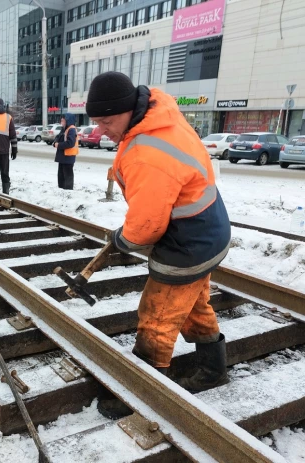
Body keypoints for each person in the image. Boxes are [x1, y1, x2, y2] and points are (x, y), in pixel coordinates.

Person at [85, 72, 231, 415]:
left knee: (157, 317)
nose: (100, 130)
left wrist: (124, 240)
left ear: (125, 110)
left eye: (106, 121)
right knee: (194, 305)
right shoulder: (157, 119)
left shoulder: (146, 150)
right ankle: (213, 371)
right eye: (96, 122)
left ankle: (143, 395)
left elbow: (147, 226)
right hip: (209, 231)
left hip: (188, 243)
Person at [53, 113, 78, 190]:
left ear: (68, 120)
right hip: (63, 156)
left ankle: (68, 191)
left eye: (63, 120)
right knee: (61, 175)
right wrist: (55, 142)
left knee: (68, 176)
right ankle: (61, 189)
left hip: (68, 156)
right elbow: (58, 137)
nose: (61, 121)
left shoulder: (71, 129)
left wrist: (58, 145)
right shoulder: (64, 128)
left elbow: (70, 143)